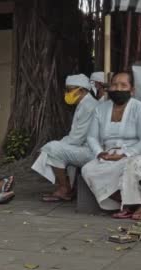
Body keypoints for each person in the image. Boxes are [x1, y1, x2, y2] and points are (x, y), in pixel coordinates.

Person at [81, 71, 141, 220]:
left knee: (131, 165)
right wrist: (99, 153)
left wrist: (125, 154)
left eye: (123, 85)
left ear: (132, 90)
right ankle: (126, 203)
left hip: (139, 153)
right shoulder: (100, 109)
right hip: (110, 155)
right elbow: (91, 137)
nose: (118, 89)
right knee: (88, 169)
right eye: (115, 85)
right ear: (109, 88)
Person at [32, 74, 99, 202]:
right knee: (53, 148)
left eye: (70, 90)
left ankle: (64, 189)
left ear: (82, 90)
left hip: (90, 151)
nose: (67, 93)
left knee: (52, 149)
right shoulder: (84, 104)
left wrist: (55, 145)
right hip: (84, 147)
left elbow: (77, 138)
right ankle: (67, 187)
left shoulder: (89, 106)